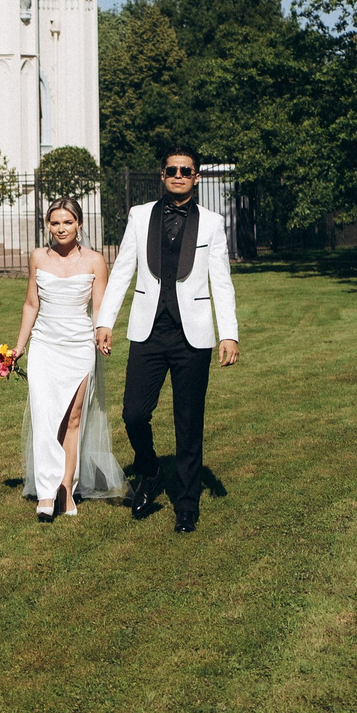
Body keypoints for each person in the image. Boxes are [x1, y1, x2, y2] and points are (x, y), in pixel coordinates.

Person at [95, 144, 240, 533]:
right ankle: (151, 469)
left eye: (185, 170)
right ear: (162, 175)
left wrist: (228, 333)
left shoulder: (211, 223)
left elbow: (221, 281)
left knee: (188, 422)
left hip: (193, 335)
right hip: (148, 331)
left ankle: (187, 505)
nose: (178, 175)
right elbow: (123, 269)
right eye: (172, 170)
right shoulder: (140, 216)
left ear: (196, 177)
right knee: (133, 413)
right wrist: (105, 320)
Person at [11, 200, 124, 520]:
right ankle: (46, 493)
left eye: (68, 222)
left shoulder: (95, 261)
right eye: (55, 223)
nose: (61, 228)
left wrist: (102, 335)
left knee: (73, 420)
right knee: (45, 418)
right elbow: (31, 304)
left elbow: (100, 307)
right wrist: (19, 347)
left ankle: (66, 488)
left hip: (79, 347)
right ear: (48, 225)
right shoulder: (37, 257)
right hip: (44, 347)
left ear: (79, 224)